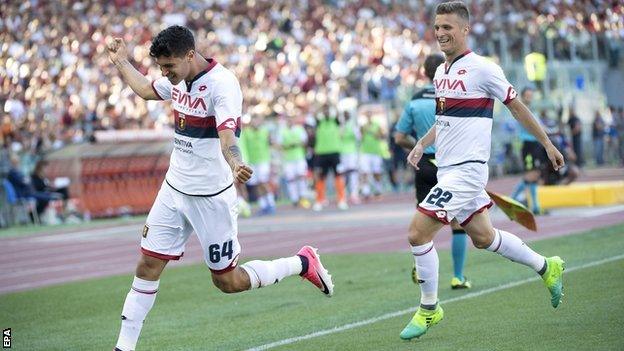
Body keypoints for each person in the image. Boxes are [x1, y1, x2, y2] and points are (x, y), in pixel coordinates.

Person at [106, 26, 334, 351]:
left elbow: (228, 137)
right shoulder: (177, 80)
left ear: (189, 55)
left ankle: (302, 262)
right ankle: (123, 348)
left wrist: (235, 162)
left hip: (211, 196)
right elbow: (144, 89)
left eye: (169, 66)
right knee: (147, 264)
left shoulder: (222, 84)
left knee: (228, 282)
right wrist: (121, 62)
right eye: (161, 67)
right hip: (174, 189)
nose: (164, 74)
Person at [399, 2, 566, 341]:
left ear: (464, 30)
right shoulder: (440, 72)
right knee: (484, 238)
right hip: (447, 169)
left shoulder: (483, 69)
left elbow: (517, 107)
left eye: (448, 27)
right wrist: (421, 143)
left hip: (467, 171)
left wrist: (547, 143)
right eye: (437, 27)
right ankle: (547, 266)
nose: (441, 33)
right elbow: (445, 121)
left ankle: (429, 309)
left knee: (418, 234)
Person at [394, 53, 472, 290]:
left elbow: (398, 137)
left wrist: (418, 146)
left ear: (424, 72)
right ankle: (458, 276)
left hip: (425, 165)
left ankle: (420, 266)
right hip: (449, 165)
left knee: (423, 223)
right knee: (458, 222)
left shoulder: (414, 100)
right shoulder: (451, 95)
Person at [510, 87, 547, 214]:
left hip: (535, 144)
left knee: (535, 175)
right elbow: (529, 125)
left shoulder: (531, 110)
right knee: (531, 174)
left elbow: (538, 125)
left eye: (531, 95)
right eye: (527, 95)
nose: (529, 98)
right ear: (522, 96)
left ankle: (535, 205)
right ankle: (512, 200)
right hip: (528, 145)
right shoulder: (521, 109)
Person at [312, 103, 348, 211]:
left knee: (338, 176)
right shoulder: (319, 122)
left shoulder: (335, 121)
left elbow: (338, 114)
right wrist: (322, 106)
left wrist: (333, 104)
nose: (326, 112)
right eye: (325, 110)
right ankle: (319, 200)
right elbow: (315, 114)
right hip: (321, 153)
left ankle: (341, 200)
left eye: (328, 110)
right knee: (320, 177)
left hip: (334, 152)